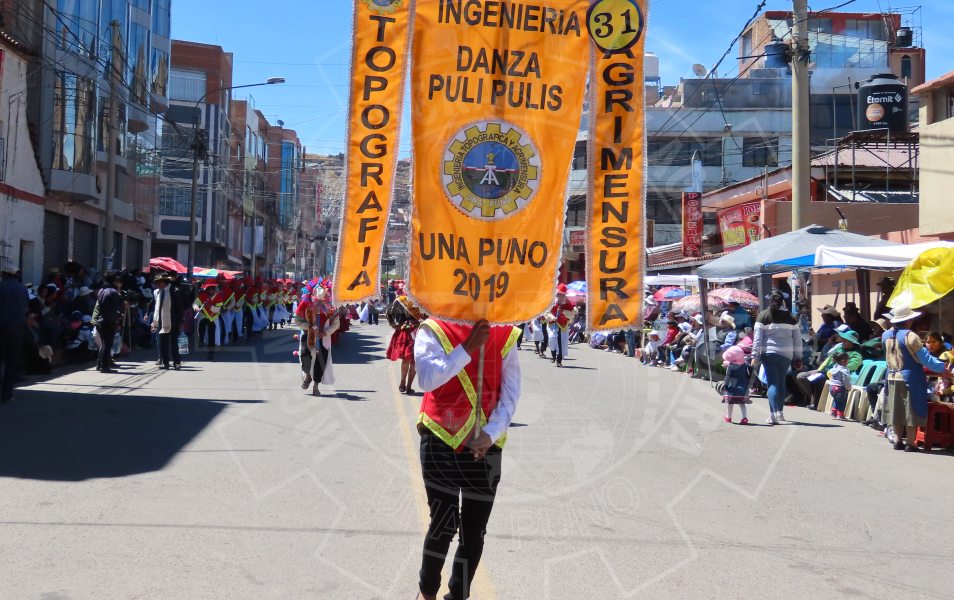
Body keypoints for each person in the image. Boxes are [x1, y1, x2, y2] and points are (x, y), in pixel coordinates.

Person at [413, 317, 521, 600]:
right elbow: (426, 378)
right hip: (441, 435)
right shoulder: (434, 327)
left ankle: (458, 594)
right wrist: (467, 347)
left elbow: (511, 389)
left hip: (486, 442)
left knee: (474, 531)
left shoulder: (505, 332)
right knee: (444, 522)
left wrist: (491, 433)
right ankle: (427, 592)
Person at [881, 305, 949, 452]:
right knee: (911, 409)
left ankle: (898, 440)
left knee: (896, 409)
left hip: (891, 377)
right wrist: (942, 369)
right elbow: (926, 360)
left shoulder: (886, 335)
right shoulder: (910, 336)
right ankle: (911, 443)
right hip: (910, 378)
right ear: (908, 320)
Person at [751, 289, 801, 425]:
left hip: (769, 353)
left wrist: (754, 355)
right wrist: (798, 356)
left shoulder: (763, 315)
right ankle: (780, 413)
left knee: (772, 383)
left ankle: (773, 415)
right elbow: (797, 339)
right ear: (782, 301)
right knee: (781, 382)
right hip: (786, 354)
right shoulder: (791, 317)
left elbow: (757, 338)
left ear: (769, 301)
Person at [795, 328, 863, 410]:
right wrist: (819, 369)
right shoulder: (840, 348)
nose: (842, 342)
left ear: (852, 343)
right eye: (843, 339)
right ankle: (811, 398)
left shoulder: (856, 354)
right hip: (826, 370)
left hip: (838, 374)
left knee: (818, 379)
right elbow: (829, 359)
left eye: (845, 340)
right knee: (801, 376)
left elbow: (853, 365)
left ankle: (817, 403)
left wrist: (837, 368)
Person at [294, 281, 339, 396]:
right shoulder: (305, 303)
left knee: (321, 360)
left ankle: (316, 385)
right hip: (307, 334)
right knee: (304, 355)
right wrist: (308, 326)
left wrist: (326, 333)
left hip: (323, 336)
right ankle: (308, 376)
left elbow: (336, 323)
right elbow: (297, 320)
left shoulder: (330, 305)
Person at [0, 265, 29, 403]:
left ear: (4, 274)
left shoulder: (1, 287)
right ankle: (7, 395)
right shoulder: (23, 289)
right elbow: (25, 307)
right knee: (11, 364)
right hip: (17, 330)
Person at [387, 295, 424, 394]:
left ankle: (404, 384)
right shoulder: (418, 298)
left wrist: (394, 324)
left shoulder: (401, 299)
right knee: (412, 359)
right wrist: (394, 324)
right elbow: (389, 311)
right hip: (415, 331)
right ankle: (406, 385)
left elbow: (389, 311)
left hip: (411, 330)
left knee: (410, 359)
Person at [91, 272, 123, 373]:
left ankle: (99, 364)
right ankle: (104, 367)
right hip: (109, 320)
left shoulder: (101, 290)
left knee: (104, 343)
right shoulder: (113, 292)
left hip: (101, 319)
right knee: (107, 344)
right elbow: (115, 307)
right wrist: (118, 314)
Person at [151, 273, 183, 370]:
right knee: (163, 343)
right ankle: (165, 362)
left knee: (174, 342)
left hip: (173, 321)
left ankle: (176, 362)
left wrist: (181, 322)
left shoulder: (174, 291)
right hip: (161, 321)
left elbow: (180, 307)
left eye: (158, 283)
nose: (156, 285)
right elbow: (154, 305)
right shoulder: (157, 292)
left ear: (163, 283)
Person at [546, 284, 574, 367]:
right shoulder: (552, 302)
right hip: (553, 324)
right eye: (559, 295)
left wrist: (563, 311)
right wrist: (552, 318)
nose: (561, 297)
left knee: (561, 342)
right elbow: (547, 313)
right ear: (557, 295)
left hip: (563, 325)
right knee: (552, 338)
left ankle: (559, 360)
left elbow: (572, 315)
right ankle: (553, 354)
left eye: (563, 295)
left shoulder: (568, 303)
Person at [721, 346, 751, 424]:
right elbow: (747, 375)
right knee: (742, 403)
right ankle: (744, 417)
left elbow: (728, 376)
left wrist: (725, 385)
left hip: (733, 387)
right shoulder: (744, 364)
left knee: (730, 403)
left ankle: (728, 417)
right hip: (743, 386)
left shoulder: (731, 365)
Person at [193, 283, 223, 361]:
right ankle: (201, 340)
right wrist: (196, 308)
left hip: (213, 317)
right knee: (201, 326)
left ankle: (211, 352)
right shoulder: (203, 295)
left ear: (214, 289)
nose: (209, 291)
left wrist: (209, 306)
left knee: (211, 334)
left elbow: (217, 310)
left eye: (211, 289)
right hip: (204, 315)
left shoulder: (218, 296)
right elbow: (195, 303)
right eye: (208, 289)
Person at [826, 352, 853, 420]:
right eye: (848, 360)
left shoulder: (835, 368)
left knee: (837, 399)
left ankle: (833, 411)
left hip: (832, 387)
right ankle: (840, 415)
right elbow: (845, 379)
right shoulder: (844, 370)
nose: (848, 362)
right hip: (840, 388)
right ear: (843, 361)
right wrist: (849, 387)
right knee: (841, 402)